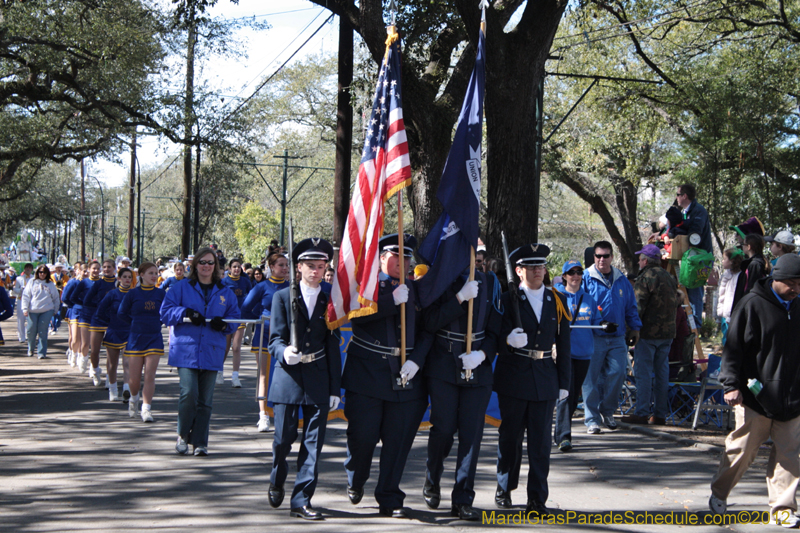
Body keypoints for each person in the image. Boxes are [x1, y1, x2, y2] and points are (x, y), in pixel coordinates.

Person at [709, 254, 800, 527]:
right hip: (755, 397)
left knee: (790, 456)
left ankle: (783, 509)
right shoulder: (751, 304)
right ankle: (720, 493)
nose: (797, 288)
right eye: (793, 283)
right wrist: (730, 385)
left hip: (793, 399)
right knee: (741, 452)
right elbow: (734, 348)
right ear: (778, 279)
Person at [343, 234, 429, 518]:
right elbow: (356, 315)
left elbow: (430, 328)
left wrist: (417, 360)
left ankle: (389, 496)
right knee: (363, 437)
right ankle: (357, 475)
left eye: (407, 257)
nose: (403, 262)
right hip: (367, 375)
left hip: (406, 377)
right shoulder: (365, 285)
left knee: (399, 440)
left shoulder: (417, 289)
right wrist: (391, 301)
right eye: (396, 256)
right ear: (381, 258)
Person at [418, 256, 501, 520]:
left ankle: (463, 497)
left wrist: (483, 355)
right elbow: (430, 322)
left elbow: (496, 330)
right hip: (444, 363)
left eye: (477, 257)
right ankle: (433, 477)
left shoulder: (490, 282)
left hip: (477, 366)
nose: (472, 262)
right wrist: (459, 299)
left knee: (472, 434)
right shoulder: (439, 282)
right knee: (443, 428)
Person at [266, 238, 341, 520]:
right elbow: (274, 339)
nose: (316, 271)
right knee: (283, 439)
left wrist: (335, 387)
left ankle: (301, 500)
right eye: (311, 266)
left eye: (321, 266)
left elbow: (333, 345)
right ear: (299, 267)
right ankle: (277, 479)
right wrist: (284, 351)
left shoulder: (331, 297)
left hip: (319, 376)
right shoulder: (283, 297)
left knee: (313, 443)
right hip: (289, 377)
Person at [494, 243, 571, 517]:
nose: (538, 271)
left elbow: (564, 345)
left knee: (540, 444)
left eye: (540, 266)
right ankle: (504, 487)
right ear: (518, 270)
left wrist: (564, 383)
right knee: (510, 439)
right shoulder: (507, 299)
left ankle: (537, 498)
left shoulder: (556, 300)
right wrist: (507, 341)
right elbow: (493, 338)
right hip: (514, 378)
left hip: (544, 378)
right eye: (531, 267)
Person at [161, 247, 240, 456]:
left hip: (212, 350)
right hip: (186, 349)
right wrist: (184, 312)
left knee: (205, 400)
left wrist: (223, 325)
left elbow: (235, 318)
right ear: (195, 265)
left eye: (210, 262)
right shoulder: (180, 288)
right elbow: (165, 312)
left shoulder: (225, 292)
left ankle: (200, 442)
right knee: (189, 393)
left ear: (216, 266)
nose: (206, 266)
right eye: (202, 262)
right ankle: (182, 435)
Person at [582, 241, 642, 434]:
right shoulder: (585, 278)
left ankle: (607, 412)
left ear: (611, 257)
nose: (602, 259)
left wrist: (635, 328)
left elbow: (630, 306)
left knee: (617, 374)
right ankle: (591, 419)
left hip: (617, 337)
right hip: (594, 336)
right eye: (598, 256)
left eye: (606, 256)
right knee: (590, 379)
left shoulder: (621, 279)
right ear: (594, 257)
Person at [622, 244, 677, 425]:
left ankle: (642, 412)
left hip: (648, 333)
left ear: (645, 260)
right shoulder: (668, 276)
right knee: (662, 373)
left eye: (640, 259)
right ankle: (660, 414)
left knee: (643, 373)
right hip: (667, 333)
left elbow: (638, 306)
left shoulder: (645, 277)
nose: (639, 261)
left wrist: (632, 329)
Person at [553, 259, 602, 452]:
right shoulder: (556, 296)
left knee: (573, 397)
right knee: (565, 394)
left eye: (579, 272)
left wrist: (607, 326)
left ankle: (561, 430)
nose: (575, 276)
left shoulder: (589, 299)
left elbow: (597, 324)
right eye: (571, 272)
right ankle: (564, 437)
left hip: (584, 354)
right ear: (564, 276)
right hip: (564, 354)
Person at [241, 252, 290, 433]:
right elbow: (246, 308)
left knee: (285, 375)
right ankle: (263, 415)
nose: (285, 269)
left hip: (286, 337)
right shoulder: (262, 287)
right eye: (281, 265)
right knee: (264, 375)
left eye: (286, 265)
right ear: (270, 267)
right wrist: (261, 318)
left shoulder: (292, 287)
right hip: (264, 335)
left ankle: (282, 413)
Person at [118, 262, 165, 422]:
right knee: (134, 378)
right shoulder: (132, 294)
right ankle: (133, 398)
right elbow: (122, 313)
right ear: (141, 275)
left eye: (156, 273)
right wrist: (134, 323)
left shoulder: (161, 294)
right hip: (136, 339)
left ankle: (146, 409)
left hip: (154, 338)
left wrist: (159, 322)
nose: (154, 276)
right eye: (151, 273)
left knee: (150, 375)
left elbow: (166, 312)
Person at [670, 183, 712, 328]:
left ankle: (695, 326)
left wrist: (679, 232)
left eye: (677, 194)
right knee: (686, 291)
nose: (676, 198)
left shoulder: (698, 211)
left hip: (699, 259)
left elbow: (695, 232)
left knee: (694, 292)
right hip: (689, 259)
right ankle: (685, 324)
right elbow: (681, 226)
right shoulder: (685, 212)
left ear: (684, 196)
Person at [96, 268, 134, 401]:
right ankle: (112, 389)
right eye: (124, 277)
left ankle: (126, 389)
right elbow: (100, 310)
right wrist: (109, 321)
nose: (127, 279)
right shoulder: (112, 294)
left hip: (129, 332)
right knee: (112, 364)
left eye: (129, 277)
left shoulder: (134, 294)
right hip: (113, 331)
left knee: (127, 362)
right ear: (119, 279)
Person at [84, 259, 118, 386]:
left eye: (109, 267)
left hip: (113, 321)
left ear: (114, 268)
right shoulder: (98, 283)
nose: (106, 269)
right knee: (94, 350)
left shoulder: (118, 283)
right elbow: (87, 300)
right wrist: (100, 306)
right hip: (98, 320)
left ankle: (110, 377)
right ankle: (95, 370)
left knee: (111, 352)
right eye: (104, 267)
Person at [219, 258, 251, 387]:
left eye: (238, 266)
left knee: (236, 347)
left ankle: (235, 376)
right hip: (227, 317)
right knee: (225, 348)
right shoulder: (224, 282)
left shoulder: (245, 281)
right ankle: (219, 372)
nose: (236, 269)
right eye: (234, 267)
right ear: (230, 268)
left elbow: (251, 296)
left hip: (240, 317)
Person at [66, 260, 101, 376]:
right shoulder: (82, 282)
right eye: (93, 269)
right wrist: (84, 303)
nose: (95, 271)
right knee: (81, 341)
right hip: (82, 312)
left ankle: (93, 366)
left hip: (97, 315)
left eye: (97, 269)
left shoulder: (102, 282)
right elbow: (71, 297)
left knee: (95, 345)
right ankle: (79, 356)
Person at [21, 264, 61, 359]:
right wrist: (25, 308)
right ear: (37, 272)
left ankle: (41, 352)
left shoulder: (50, 284)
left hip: (47, 310)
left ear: (47, 273)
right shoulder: (32, 282)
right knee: (31, 330)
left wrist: (55, 309)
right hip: (32, 310)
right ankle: (31, 348)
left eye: (44, 272)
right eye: (40, 272)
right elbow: (26, 296)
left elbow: (56, 298)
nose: (42, 274)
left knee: (43, 331)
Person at [732, 233, 768, 310]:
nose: (742, 246)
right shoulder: (751, 263)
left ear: (749, 247)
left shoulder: (755, 264)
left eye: (743, 244)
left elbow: (751, 287)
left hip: (748, 307)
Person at [716, 249, 744, 346]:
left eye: (724, 259)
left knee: (731, 342)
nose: (722, 261)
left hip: (731, 316)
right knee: (725, 339)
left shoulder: (739, 276)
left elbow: (733, 298)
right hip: (724, 315)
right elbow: (721, 295)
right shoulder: (726, 275)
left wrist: (730, 317)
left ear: (732, 261)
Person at [61, 263, 84, 367]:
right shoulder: (73, 282)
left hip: (86, 312)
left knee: (83, 337)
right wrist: (73, 305)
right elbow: (65, 297)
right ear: (76, 271)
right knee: (74, 337)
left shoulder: (91, 282)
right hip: (74, 310)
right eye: (79, 270)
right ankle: (72, 352)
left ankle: (80, 355)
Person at [13, 263, 33, 345]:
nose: (28, 269)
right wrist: (21, 289)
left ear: (32, 270)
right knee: (21, 319)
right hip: (21, 300)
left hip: (31, 301)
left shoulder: (34, 278)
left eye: (29, 268)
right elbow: (14, 290)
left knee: (30, 320)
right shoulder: (19, 278)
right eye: (26, 268)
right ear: (24, 269)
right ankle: (21, 336)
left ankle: (27, 334)